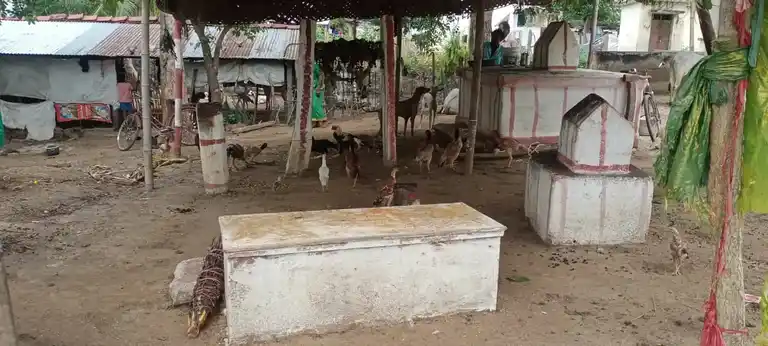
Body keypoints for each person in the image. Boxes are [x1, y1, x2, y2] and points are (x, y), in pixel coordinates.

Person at [311, 62, 328, 127]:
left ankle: (322, 121)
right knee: (312, 105)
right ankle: (315, 122)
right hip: (312, 88)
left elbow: (321, 74)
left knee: (316, 105)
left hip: (318, 88)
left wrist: (318, 87)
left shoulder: (315, 66)